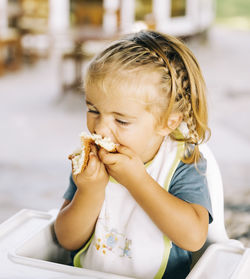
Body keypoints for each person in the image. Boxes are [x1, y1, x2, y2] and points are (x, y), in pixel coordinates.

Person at [54, 30, 213, 279]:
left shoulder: (181, 161)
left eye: (121, 120)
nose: (100, 128)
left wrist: (136, 180)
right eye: (93, 110)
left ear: (168, 123)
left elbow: (193, 238)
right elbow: (66, 239)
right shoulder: (89, 163)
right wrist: (90, 191)